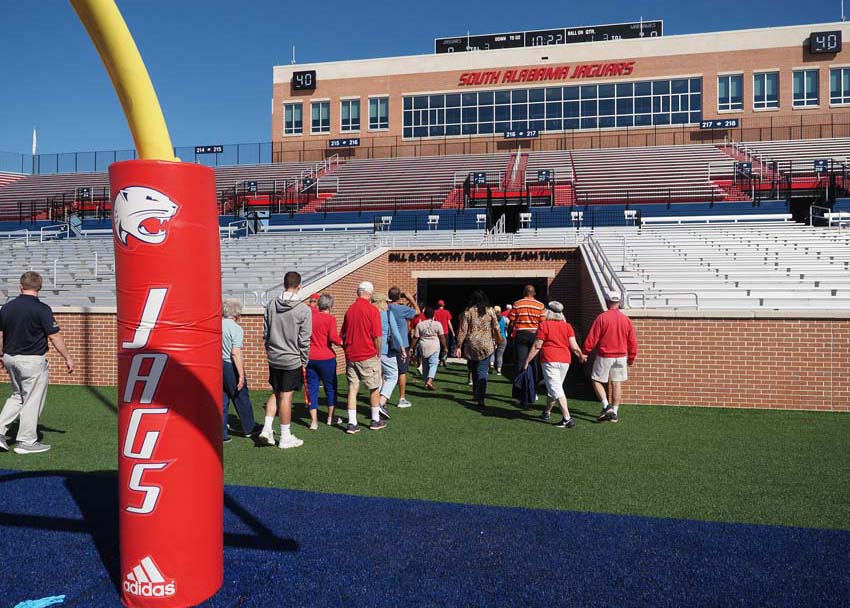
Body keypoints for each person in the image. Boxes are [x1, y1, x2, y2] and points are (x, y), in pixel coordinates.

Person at [0, 271, 74, 454]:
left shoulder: (7, 307)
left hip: (10, 358)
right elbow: (54, 336)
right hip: (32, 361)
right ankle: (27, 442)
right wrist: (68, 357)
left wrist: (1, 354)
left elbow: (0, 334)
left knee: (18, 396)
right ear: (39, 287)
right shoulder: (42, 309)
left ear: (21, 286)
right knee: (32, 399)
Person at [261, 270, 312, 449]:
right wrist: (304, 360)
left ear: (284, 284)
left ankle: (267, 428)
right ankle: (285, 436)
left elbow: (265, 333)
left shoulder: (271, 304)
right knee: (286, 397)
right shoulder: (303, 309)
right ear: (299, 286)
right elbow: (304, 339)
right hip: (291, 358)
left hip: (274, 357)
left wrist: (270, 351)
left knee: (276, 392)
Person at [523, 301, 586, 428]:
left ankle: (567, 418)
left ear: (548, 312)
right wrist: (580, 355)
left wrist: (527, 360)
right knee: (555, 388)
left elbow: (537, 345)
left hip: (549, 359)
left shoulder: (544, 325)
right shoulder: (567, 326)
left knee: (556, 389)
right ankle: (547, 412)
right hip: (565, 360)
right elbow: (574, 346)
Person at [582, 291, 638, 424]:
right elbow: (632, 341)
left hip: (605, 355)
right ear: (619, 302)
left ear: (607, 301)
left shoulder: (602, 317)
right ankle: (615, 412)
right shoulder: (626, 319)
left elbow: (592, 338)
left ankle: (607, 407)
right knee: (616, 382)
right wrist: (631, 358)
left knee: (596, 379)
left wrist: (585, 352)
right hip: (621, 356)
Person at [341, 281, 386, 433]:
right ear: (370, 293)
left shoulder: (350, 310)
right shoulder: (372, 310)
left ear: (358, 292)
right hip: (367, 354)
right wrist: (378, 353)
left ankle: (352, 423)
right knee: (374, 388)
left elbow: (344, 334)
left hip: (351, 355)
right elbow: (378, 336)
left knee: (352, 389)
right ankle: (375, 420)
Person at [456, 290, 500, 408]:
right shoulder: (490, 311)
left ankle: (476, 392)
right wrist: (497, 340)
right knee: (482, 371)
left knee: (474, 369)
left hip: (472, 345)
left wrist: (458, 345)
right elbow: (496, 327)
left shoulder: (468, 312)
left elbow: (463, 330)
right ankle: (481, 396)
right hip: (486, 345)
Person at [222, 299, 257, 443]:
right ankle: (249, 428)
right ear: (236, 313)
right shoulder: (236, 328)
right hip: (230, 365)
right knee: (241, 396)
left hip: (217, 365)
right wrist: (241, 375)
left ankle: (222, 433)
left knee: (222, 400)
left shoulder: (216, 325)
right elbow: (235, 352)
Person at [306, 293, 342, 430]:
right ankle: (330, 418)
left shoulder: (310, 317)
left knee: (312, 388)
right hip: (326, 357)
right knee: (331, 388)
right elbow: (334, 338)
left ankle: (313, 421)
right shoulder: (330, 319)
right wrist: (342, 342)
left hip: (311, 357)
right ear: (330, 305)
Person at [372, 293, 405, 419]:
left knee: (378, 377)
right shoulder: (387, 314)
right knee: (392, 376)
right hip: (386, 350)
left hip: (372, 351)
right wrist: (402, 348)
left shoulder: (370, 314)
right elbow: (395, 332)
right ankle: (381, 402)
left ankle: (376, 404)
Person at [387, 286, 420, 408]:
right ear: (399, 296)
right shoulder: (402, 309)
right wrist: (411, 299)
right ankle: (401, 398)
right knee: (402, 372)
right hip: (402, 345)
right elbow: (418, 312)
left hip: (387, 344)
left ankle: (382, 397)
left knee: (386, 373)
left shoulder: (385, 308)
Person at [508, 285, 546, 379]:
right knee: (534, 361)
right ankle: (533, 386)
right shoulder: (540, 305)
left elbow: (511, 322)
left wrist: (509, 335)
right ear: (534, 293)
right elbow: (543, 323)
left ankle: (521, 383)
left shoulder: (517, 304)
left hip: (521, 334)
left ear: (524, 293)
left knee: (521, 361)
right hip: (535, 335)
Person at [410, 307, 446, 390]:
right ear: (433, 314)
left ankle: (426, 382)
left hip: (423, 345)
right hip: (434, 345)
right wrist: (445, 347)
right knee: (433, 364)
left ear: (424, 314)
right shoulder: (437, 324)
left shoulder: (420, 324)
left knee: (425, 364)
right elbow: (442, 337)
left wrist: (412, 347)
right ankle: (430, 380)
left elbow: (415, 337)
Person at [433, 300, 455, 366]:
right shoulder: (447, 312)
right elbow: (449, 323)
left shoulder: (435, 312)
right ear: (443, 305)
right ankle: (444, 359)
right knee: (445, 346)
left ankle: (440, 360)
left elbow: (433, 321)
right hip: (445, 332)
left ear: (437, 305)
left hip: (437, 332)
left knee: (438, 346)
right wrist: (453, 331)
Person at [492, 305, 508, 375]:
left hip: (493, 337)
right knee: (500, 355)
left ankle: (491, 364)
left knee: (491, 353)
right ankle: (499, 370)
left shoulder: (491, 319)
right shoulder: (505, 319)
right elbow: (508, 326)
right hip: (503, 337)